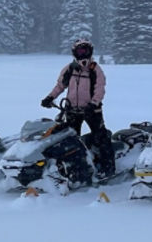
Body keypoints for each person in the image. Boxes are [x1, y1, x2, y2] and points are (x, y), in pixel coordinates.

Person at [41, 39, 115, 178]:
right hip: (72, 110)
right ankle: (75, 168)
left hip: (92, 110)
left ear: (90, 52)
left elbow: (100, 89)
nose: (82, 54)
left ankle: (108, 168)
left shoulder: (95, 70)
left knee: (101, 137)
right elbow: (60, 86)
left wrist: (93, 104)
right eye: (79, 51)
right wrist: (50, 97)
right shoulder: (69, 69)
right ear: (75, 53)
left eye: (85, 51)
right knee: (70, 139)